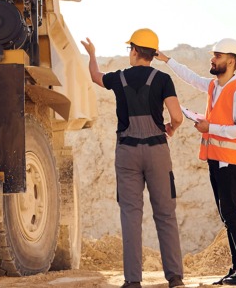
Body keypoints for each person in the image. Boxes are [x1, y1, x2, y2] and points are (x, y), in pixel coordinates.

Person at [81, 28, 185, 288]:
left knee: (130, 214)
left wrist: (92, 54)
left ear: (136, 51)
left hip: (127, 153)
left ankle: (133, 281)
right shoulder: (163, 80)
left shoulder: (119, 78)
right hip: (157, 152)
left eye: (130, 49)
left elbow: (95, 76)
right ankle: (174, 278)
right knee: (165, 214)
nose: (129, 53)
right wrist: (171, 128)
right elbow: (177, 116)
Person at [155, 38, 236, 286]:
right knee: (227, 216)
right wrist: (167, 60)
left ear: (231, 60)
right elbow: (189, 77)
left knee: (232, 214)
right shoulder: (214, 86)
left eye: (217, 55)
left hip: (230, 163)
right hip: (216, 161)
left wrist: (210, 126)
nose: (212, 59)